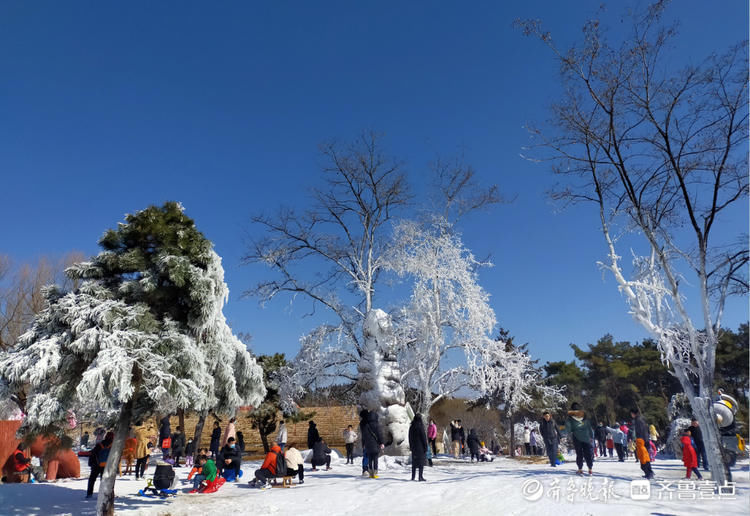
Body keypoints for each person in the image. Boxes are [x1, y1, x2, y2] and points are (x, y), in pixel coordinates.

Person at [565, 402, 594, 476]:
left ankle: (580, 469)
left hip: (577, 437)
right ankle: (590, 469)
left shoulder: (570, 418)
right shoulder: (584, 416)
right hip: (586, 437)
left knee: (579, 453)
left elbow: (568, 429)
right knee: (587, 453)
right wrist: (591, 436)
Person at [87, 432, 113, 498]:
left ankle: (89, 494)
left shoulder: (100, 444)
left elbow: (93, 454)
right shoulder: (113, 446)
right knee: (104, 480)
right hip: (106, 466)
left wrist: (91, 463)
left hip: (96, 465)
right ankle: (103, 494)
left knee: (92, 479)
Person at [360, 409, 384, 478]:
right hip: (375, 444)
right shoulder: (375, 424)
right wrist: (381, 442)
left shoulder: (364, 424)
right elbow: (379, 434)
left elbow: (364, 435)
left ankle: (369, 471)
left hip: (367, 445)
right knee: (375, 459)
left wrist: (363, 443)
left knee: (369, 458)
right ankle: (375, 472)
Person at [408, 414, 428, 481]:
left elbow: (409, 437)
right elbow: (423, 438)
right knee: (421, 463)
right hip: (420, 447)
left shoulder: (411, 427)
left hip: (414, 447)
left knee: (414, 462)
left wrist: (411, 446)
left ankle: (413, 477)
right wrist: (425, 447)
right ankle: (420, 477)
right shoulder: (420, 427)